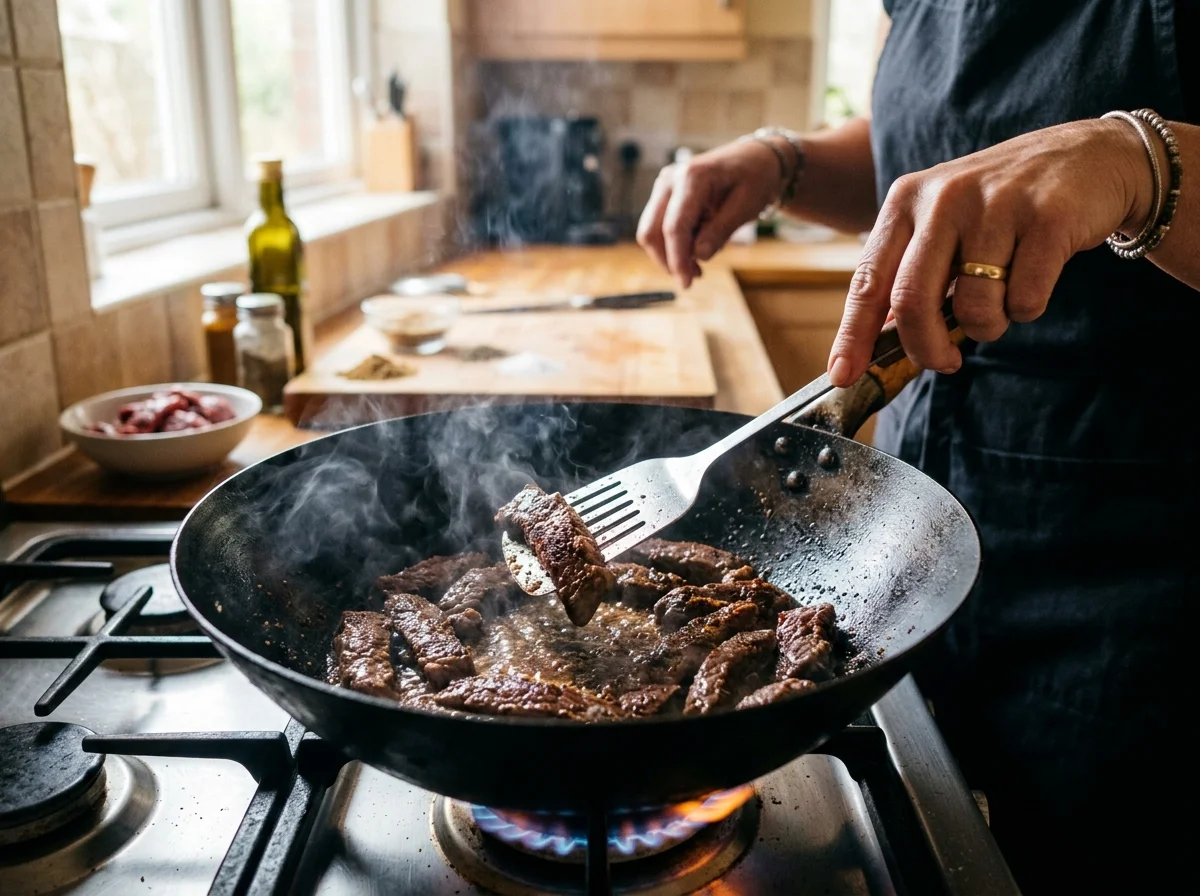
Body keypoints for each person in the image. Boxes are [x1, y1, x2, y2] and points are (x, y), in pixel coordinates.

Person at [637, 3, 1197, 893]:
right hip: (913, 530)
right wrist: (784, 163)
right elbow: (936, 152)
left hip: (1142, 573)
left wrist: (1139, 163)